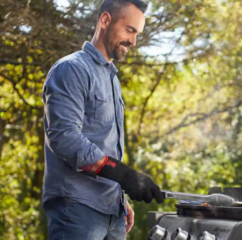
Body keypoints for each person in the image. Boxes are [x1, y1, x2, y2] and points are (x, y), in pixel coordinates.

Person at [41, 0, 164, 239]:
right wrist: (126, 175)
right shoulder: (71, 69)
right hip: (76, 208)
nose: (133, 41)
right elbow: (64, 138)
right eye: (129, 30)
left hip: (112, 212)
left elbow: (106, 143)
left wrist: (120, 197)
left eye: (137, 33)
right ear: (105, 21)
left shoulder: (112, 80)